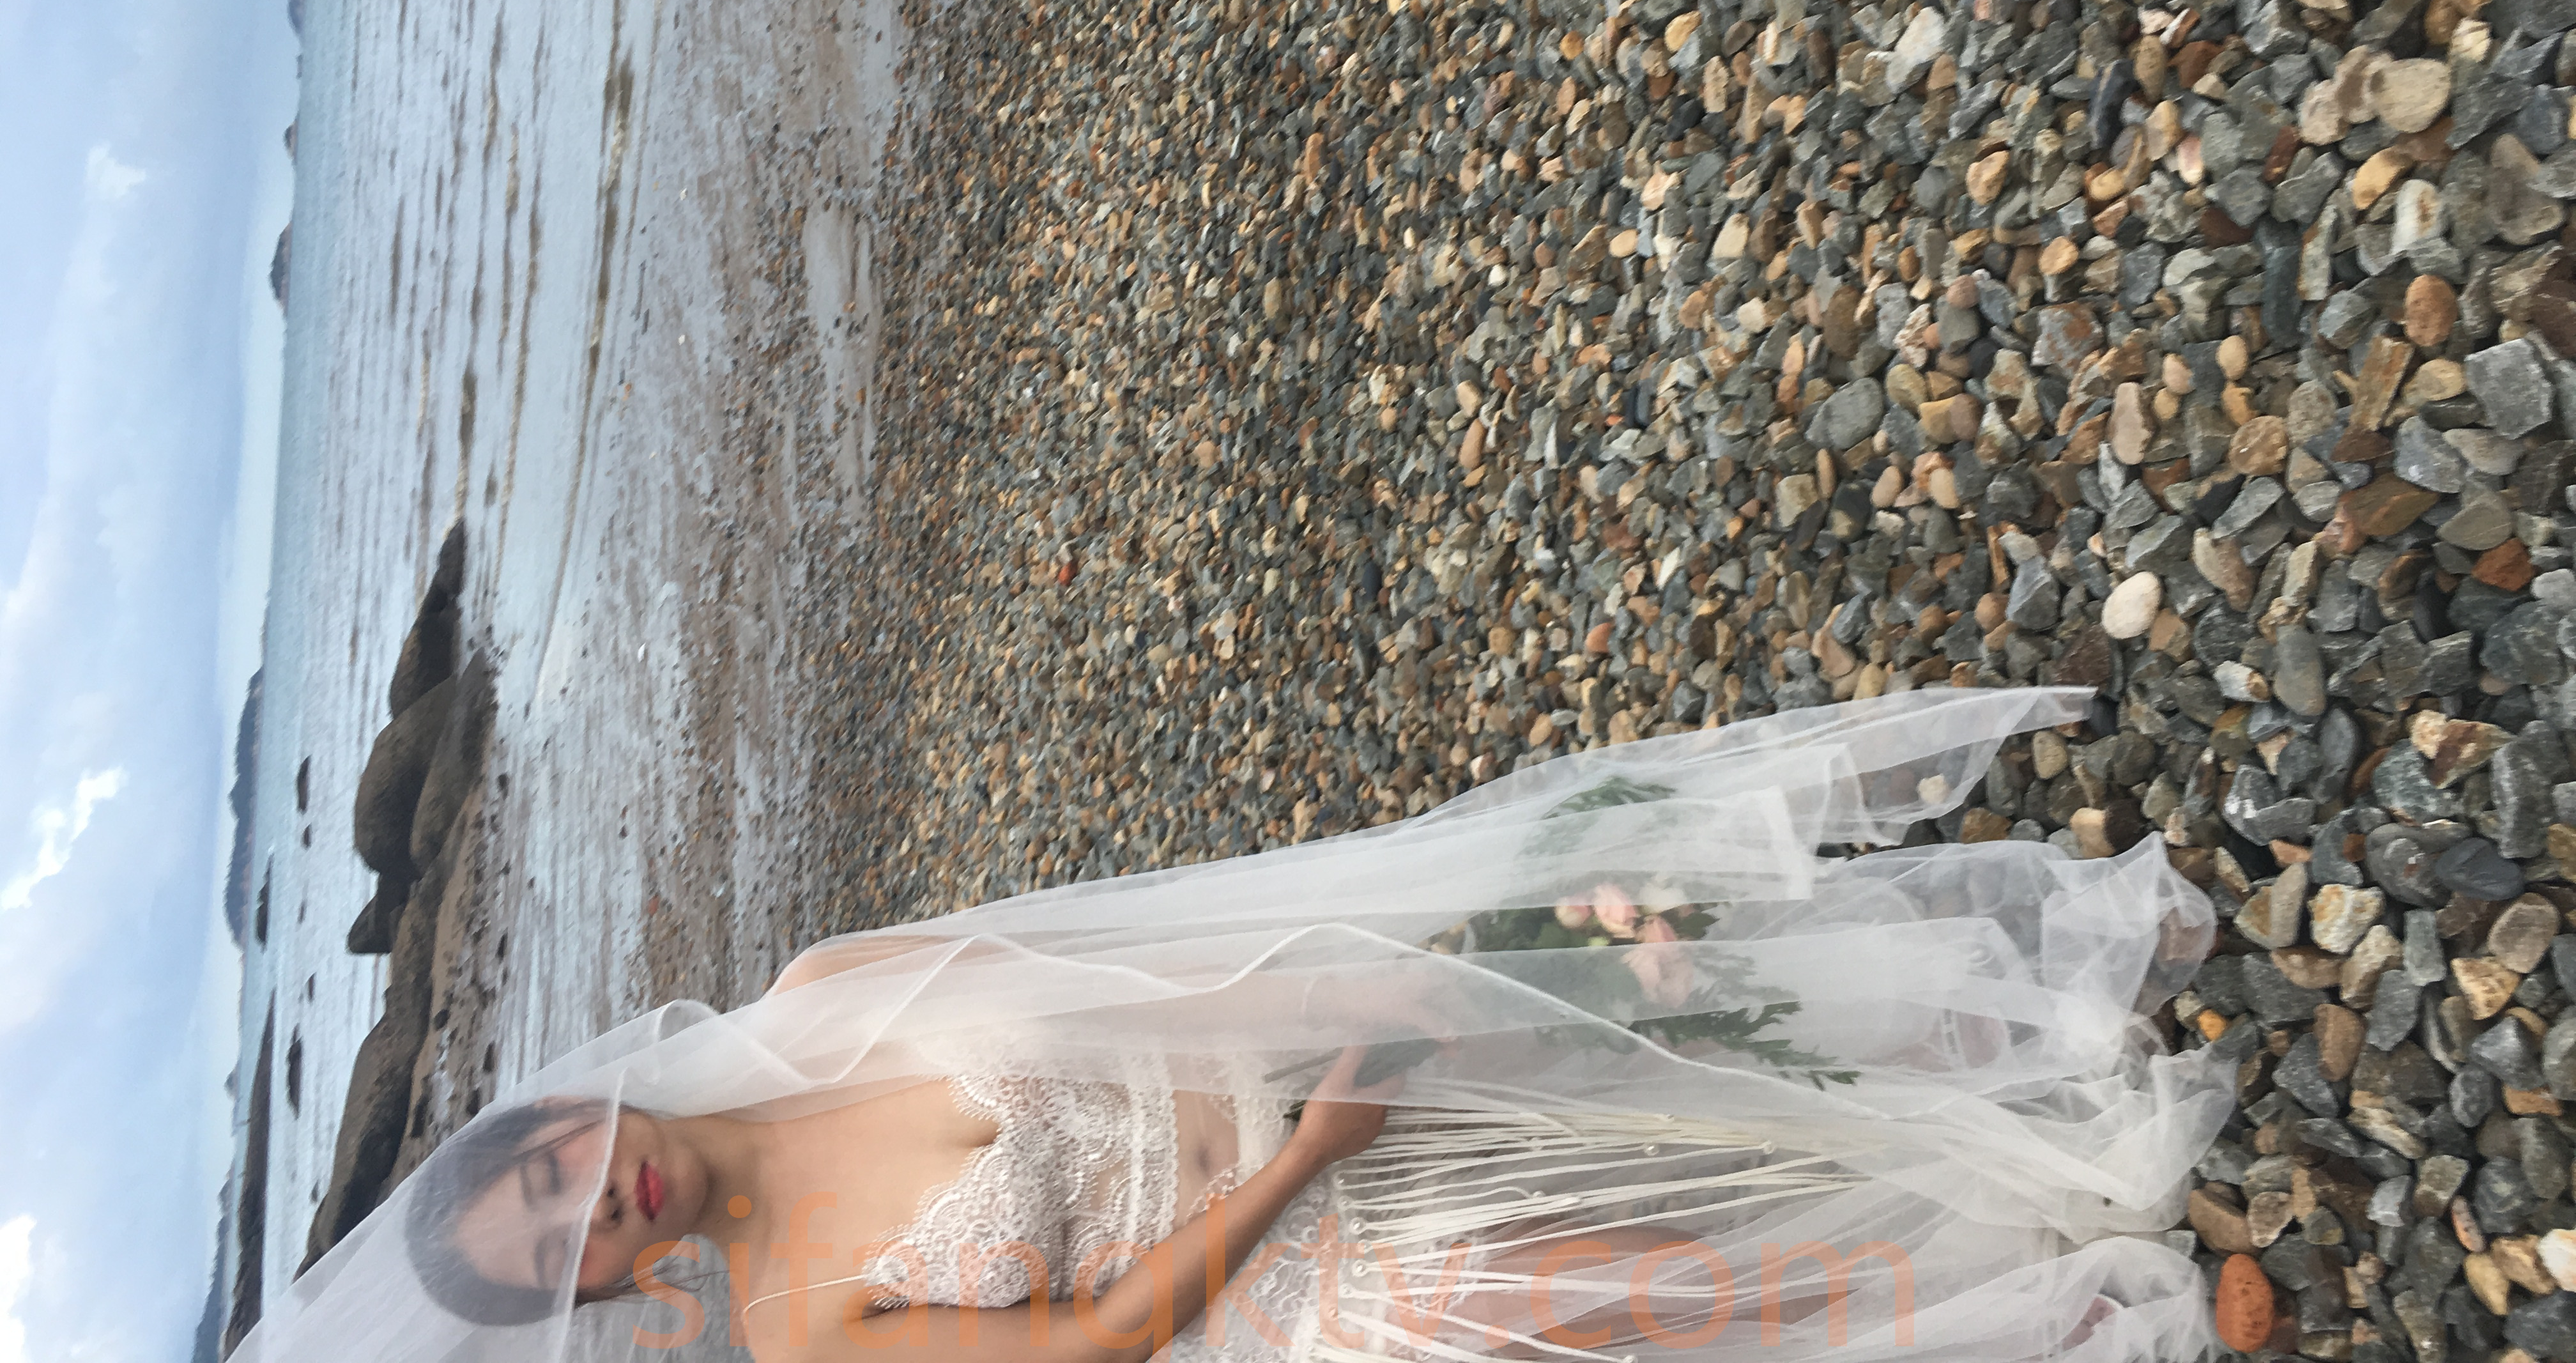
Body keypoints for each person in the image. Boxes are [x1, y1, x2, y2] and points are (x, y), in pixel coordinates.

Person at [234, 686, 2237, 1363]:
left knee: (1623, 1049)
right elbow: (1094, 1344)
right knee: (1619, 1294)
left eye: (552, 1176)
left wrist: (1371, 993)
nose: (594, 1205)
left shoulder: (822, 1001)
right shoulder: (792, 1326)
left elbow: (1126, 970)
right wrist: (1305, 1171)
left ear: (566, 1120)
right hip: (1284, 1276)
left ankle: (1982, 1081)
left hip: (1282, 1066)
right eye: (563, 1252)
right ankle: (2031, 1296)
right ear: (599, 1291)